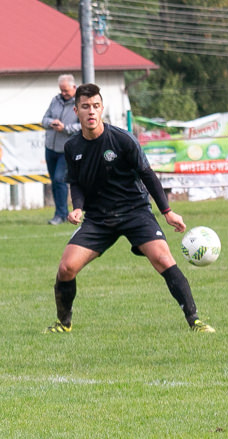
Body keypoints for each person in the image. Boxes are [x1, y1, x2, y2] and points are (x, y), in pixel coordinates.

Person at [46, 83, 215, 334]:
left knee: (163, 259)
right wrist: (77, 208)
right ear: (76, 111)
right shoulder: (72, 147)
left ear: (101, 108)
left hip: (135, 211)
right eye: (85, 107)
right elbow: (76, 183)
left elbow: (147, 175)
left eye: (95, 106)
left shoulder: (122, 139)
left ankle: (195, 321)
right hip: (98, 219)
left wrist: (167, 212)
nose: (91, 112)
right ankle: (64, 323)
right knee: (66, 268)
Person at [41, 74, 81, 225]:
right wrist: (52, 123)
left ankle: (62, 214)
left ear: (74, 87)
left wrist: (65, 128)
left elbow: (83, 125)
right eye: (61, 90)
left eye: (66, 91)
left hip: (67, 149)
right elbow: (44, 119)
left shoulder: (80, 103)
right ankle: (60, 213)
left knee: (60, 180)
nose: (63, 93)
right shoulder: (55, 100)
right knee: (54, 181)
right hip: (50, 147)